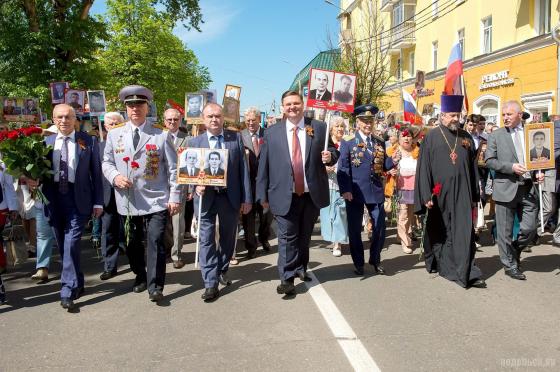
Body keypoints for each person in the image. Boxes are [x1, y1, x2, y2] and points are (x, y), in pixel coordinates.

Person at [103, 85, 181, 303]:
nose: (135, 108)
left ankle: (155, 285)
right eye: (130, 105)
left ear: (148, 107)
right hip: (127, 200)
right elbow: (106, 162)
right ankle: (140, 274)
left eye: (139, 104)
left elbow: (174, 169)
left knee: (155, 240)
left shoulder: (161, 135)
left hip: (156, 199)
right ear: (126, 109)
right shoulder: (114, 134)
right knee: (131, 243)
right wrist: (115, 176)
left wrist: (174, 196)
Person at [256, 90, 336, 295]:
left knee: (304, 236)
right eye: (288, 104)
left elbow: (333, 152)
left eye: (296, 103)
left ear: (303, 104)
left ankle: (301, 267)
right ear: (283, 107)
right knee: (287, 237)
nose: (292, 107)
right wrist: (261, 195)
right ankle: (287, 278)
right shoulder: (271, 132)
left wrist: (330, 157)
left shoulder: (319, 127)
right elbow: (263, 166)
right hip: (284, 194)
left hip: (310, 195)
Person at [28, 104, 104, 310]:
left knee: (71, 243)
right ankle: (78, 281)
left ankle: (67, 290)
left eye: (68, 117)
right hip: (53, 199)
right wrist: (30, 179)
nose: (64, 121)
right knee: (63, 245)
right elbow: (36, 172)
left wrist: (98, 202)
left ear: (75, 120)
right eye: (59, 117)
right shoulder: (45, 142)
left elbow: (96, 175)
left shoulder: (88, 141)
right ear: (53, 119)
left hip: (78, 200)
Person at [414, 95, 485, 289]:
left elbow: (472, 168)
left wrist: (475, 194)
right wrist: (426, 194)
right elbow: (424, 168)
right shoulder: (431, 136)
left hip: (462, 193)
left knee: (464, 232)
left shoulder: (466, 137)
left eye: (458, 115)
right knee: (441, 231)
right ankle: (443, 264)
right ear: (443, 115)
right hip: (440, 194)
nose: (456, 118)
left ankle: (467, 271)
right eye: (452, 115)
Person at [189, 102, 252, 302]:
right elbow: (187, 172)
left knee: (227, 238)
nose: (214, 119)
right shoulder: (195, 142)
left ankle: (222, 268)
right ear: (203, 119)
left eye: (217, 116)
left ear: (223, 118)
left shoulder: (235, 139)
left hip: (229, 197)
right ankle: (210, 283)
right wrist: (194, 186)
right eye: (210, 116)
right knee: (206, 239)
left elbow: (243, 169)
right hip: (205, 199)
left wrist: (247, 198)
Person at [338, 104, 400, 276]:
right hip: (355, 192)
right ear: (357, 122)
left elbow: (384, 165)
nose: (367, 124)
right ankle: (358, 263)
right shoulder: (348, 141)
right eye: (364, 121)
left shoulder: (379, 141)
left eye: (370, 120)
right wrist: (346, 189)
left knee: (380, 228)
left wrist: (393, 160)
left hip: (375, 190)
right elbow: (343, 168)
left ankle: (375, 259)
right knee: (355, 230)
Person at [485, 100, 543, 281]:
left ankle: (516, 248)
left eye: (509, 114)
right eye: (503, 115)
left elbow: (540, 157)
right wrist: (511, 167)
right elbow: (490, 161)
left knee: (530, 228)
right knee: (505, 231)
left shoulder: (531, 133)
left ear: (519, 114)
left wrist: (539, 173)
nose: (505, 118)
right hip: (506, 188)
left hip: (528, 188)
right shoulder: (496, 135)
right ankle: (509, 264)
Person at [240, 107, 272, 258]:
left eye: (253, 120)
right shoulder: (240, 136)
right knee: (248, 218)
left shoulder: (269, 134)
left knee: (266, 214)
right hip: (248, 184)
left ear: (260, 119)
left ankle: (264, 238)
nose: (251, 123)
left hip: (266, 184)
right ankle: (251, 246)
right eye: (248, 121)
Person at [98, 112, 126, 280]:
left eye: (117, 123)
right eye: (111, 124)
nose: (114, 126)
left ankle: (137, 263)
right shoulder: (98, 146)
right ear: (106, 127)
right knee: (108, 231)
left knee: (131, 231)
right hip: (107, 196)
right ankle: (110, 265)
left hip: (129, 195)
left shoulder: (129, 144)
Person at [162, 108, 190, 269]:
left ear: (180, 120)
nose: (172, 122)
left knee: (178, 221)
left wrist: (191, 188)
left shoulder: (188, 139)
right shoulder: (157, 137)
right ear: (164, 120)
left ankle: (176, 254)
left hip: (180, 185)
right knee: (163, 221)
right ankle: (166, 249)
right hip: (160, 186)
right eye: (169, 119)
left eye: (175, 119)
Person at [320, 116, 348, 257]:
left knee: (340, 212)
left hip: (341, 183)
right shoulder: (325, 144)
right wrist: (324, 169)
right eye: (337, 126)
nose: (340, 129)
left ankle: (338, 242)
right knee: (328, 213)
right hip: (326, 184)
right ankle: (331, 237)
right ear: (331, 128)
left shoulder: (346, 144)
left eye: (342, 126)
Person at [393, 126, 420, 254]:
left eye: (409, 136)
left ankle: (400, 236)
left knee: (409, 214)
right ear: (399, 138)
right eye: (404, 136)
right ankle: (405, 241)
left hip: (414, 187)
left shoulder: (417, 151)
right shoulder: (394, 151)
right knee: (403, 214)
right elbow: (386, 166)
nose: (407, 138)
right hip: (401, 187)